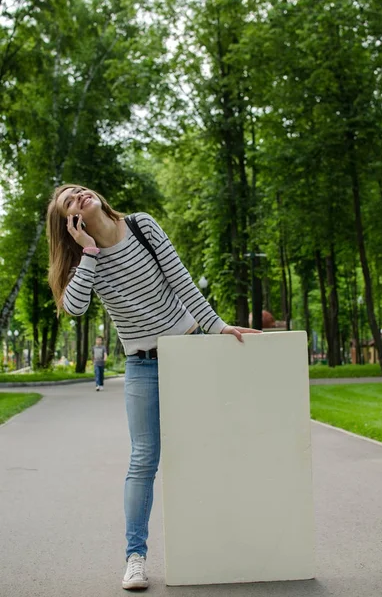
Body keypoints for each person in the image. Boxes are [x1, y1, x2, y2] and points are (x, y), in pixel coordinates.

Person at [46, 184, 261, 591]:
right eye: (69, 202)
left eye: (79, 190)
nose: (80, 196)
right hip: (143, 364)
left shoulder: (142, 226)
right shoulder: (85, 259)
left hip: (191, 349)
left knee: (208, 447)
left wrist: (217, 326)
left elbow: (181, 281)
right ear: (69, 222)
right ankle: (135, 559)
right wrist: (88, 250)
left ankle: (219, 546)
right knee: (143, 460)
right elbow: (74, 307)